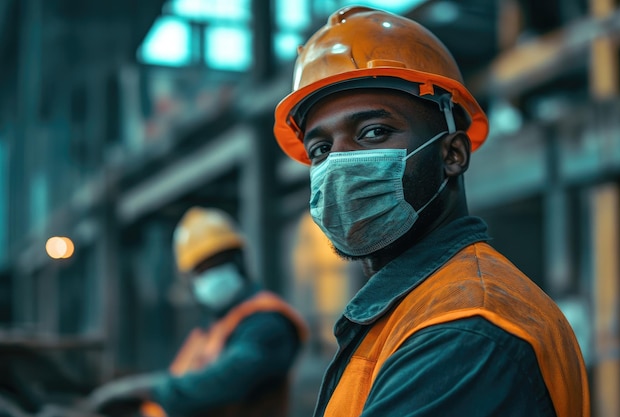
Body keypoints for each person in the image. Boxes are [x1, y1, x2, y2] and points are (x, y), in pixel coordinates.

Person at [273, 5, 589, 417]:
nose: (338, 163)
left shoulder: (464, 328)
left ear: (452, 153)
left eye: (373, 132)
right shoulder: (412, 308)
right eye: (320, 150)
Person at [83, 207, 308, 417]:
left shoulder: (267, 323)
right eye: (200, 270)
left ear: (239, 261)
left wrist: (146, 389)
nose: (210, 276)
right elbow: (182, 384)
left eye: (217, 263)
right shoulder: (210, 332)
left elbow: (228, 380)